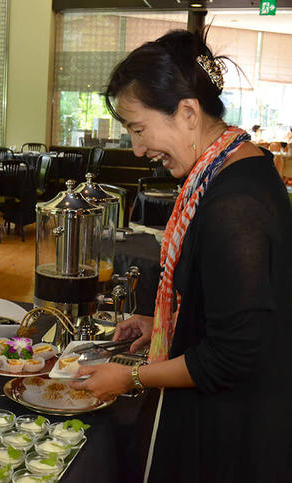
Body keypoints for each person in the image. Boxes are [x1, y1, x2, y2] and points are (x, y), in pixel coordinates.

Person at [71, 30, 292, 482]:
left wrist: (131, 378)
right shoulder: (234, 168)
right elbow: (238, 309)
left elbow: (232, 357)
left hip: (232, 431)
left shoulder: (236, 205)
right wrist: (169, 323)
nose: (137, 149)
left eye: (138, 129)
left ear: (188, 112)